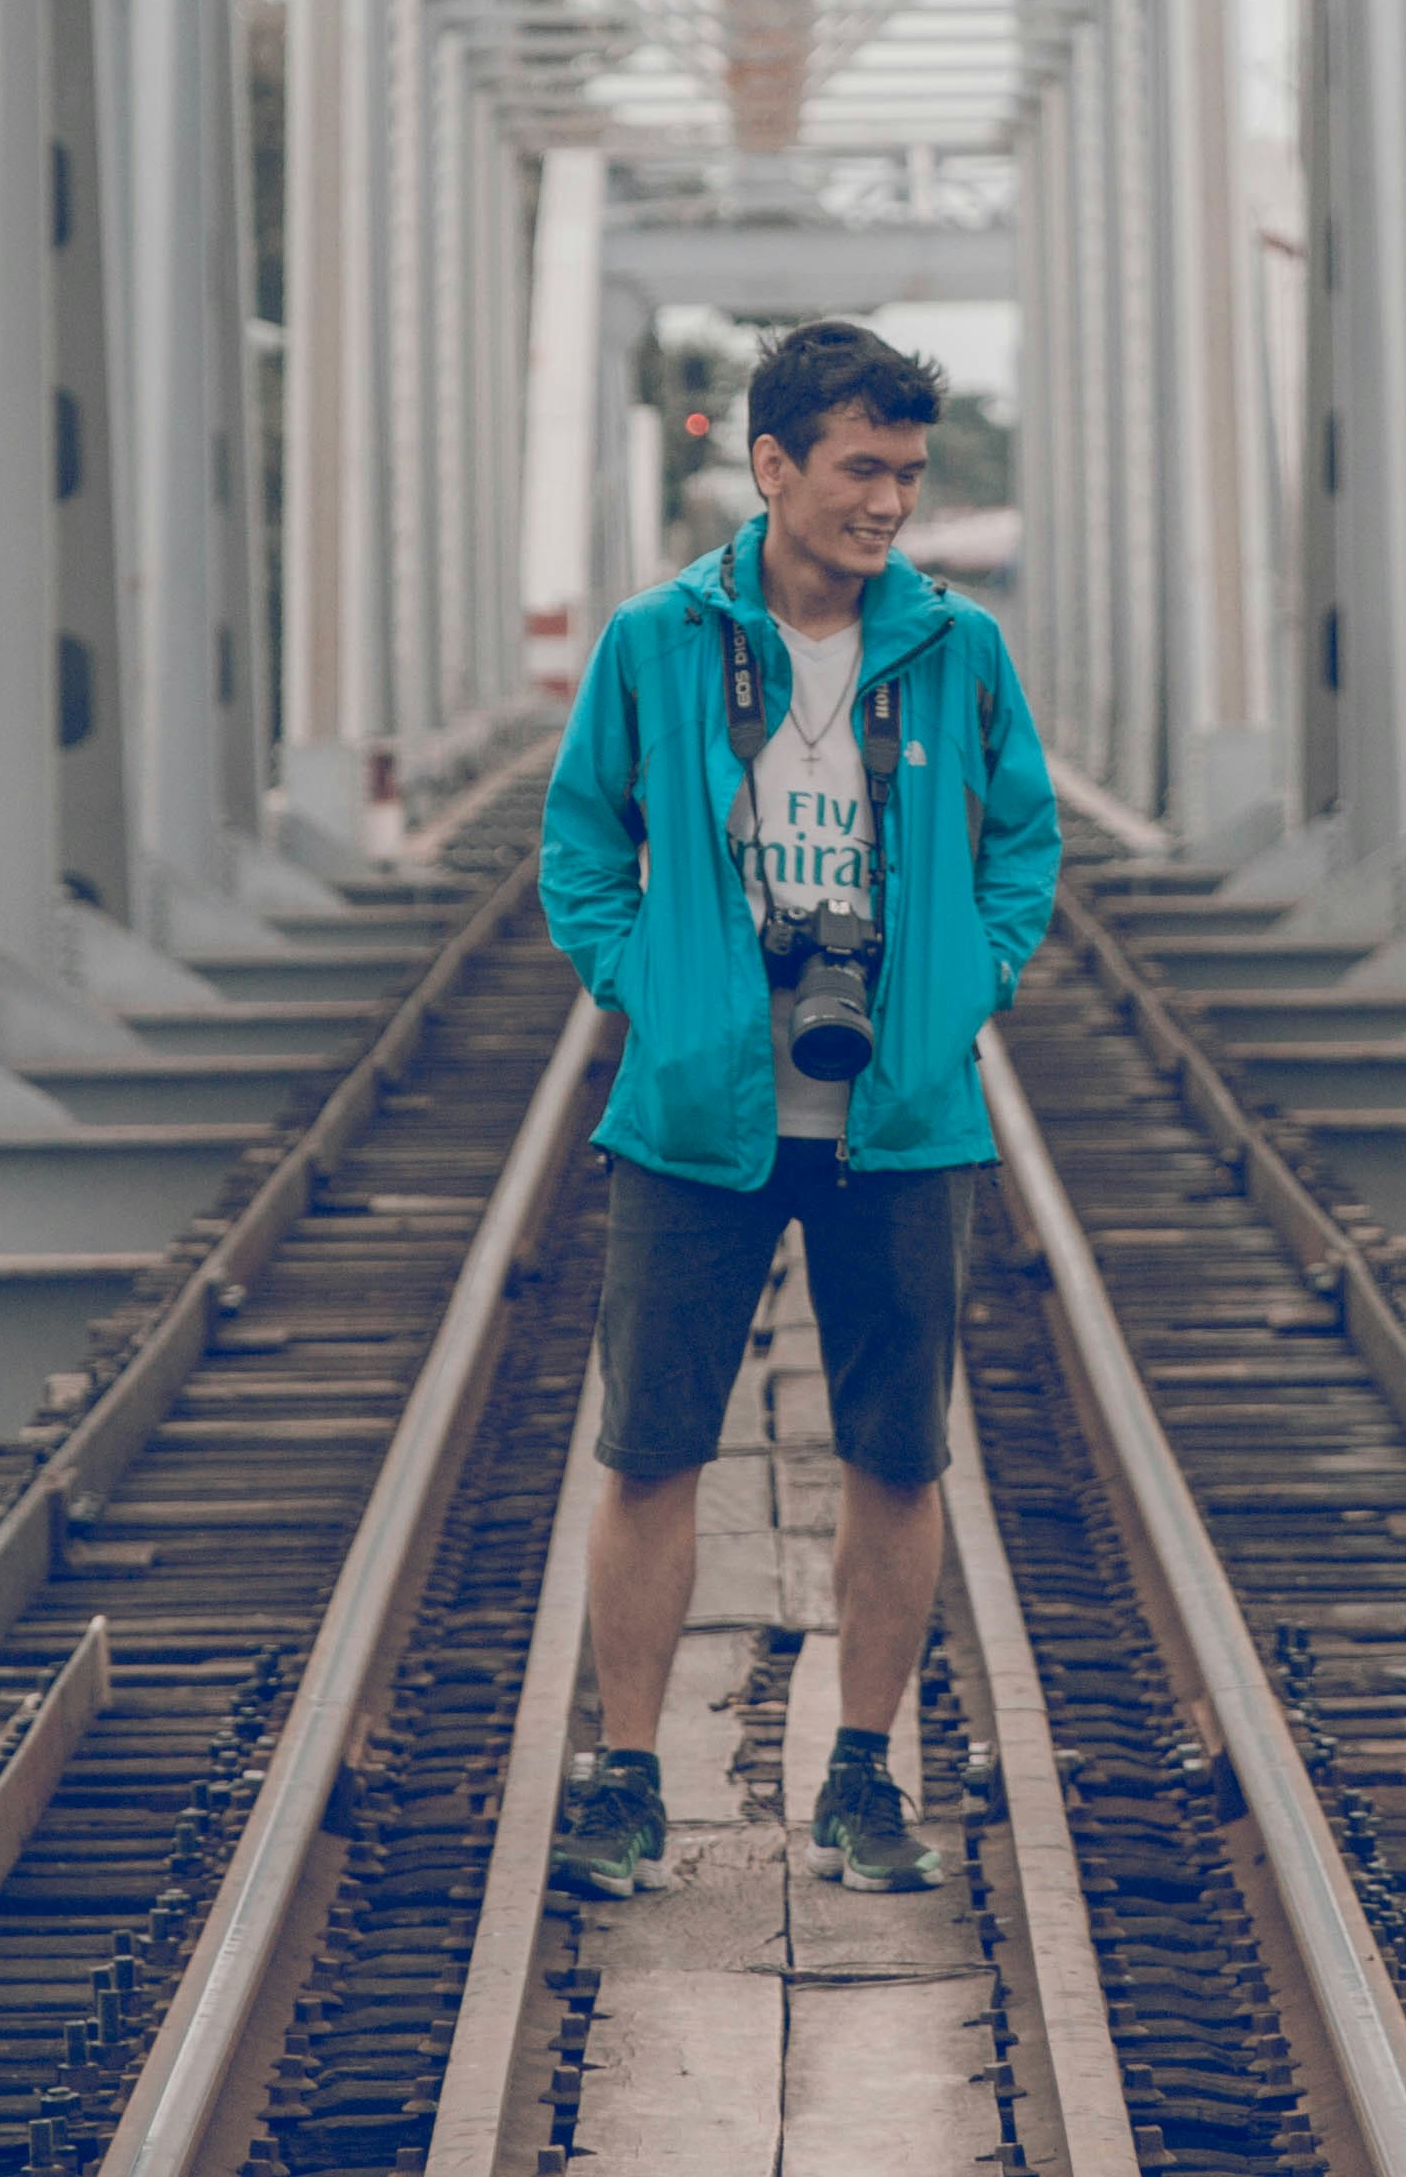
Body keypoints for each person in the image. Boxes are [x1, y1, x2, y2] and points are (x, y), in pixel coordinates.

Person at [534, 318, 1062, 1899]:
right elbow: (579, 843)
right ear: (772, 469)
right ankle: (629, 1780)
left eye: (908, 472)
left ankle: (860, 1774)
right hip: (699, 1113)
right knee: (650, 1452)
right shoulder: (660, 641)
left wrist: (971, 984)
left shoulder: (957, 649)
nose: (891, 502)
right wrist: (659, 992)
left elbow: (1021, 843)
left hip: (900, 1119)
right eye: (861, 470)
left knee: (900, 1458)